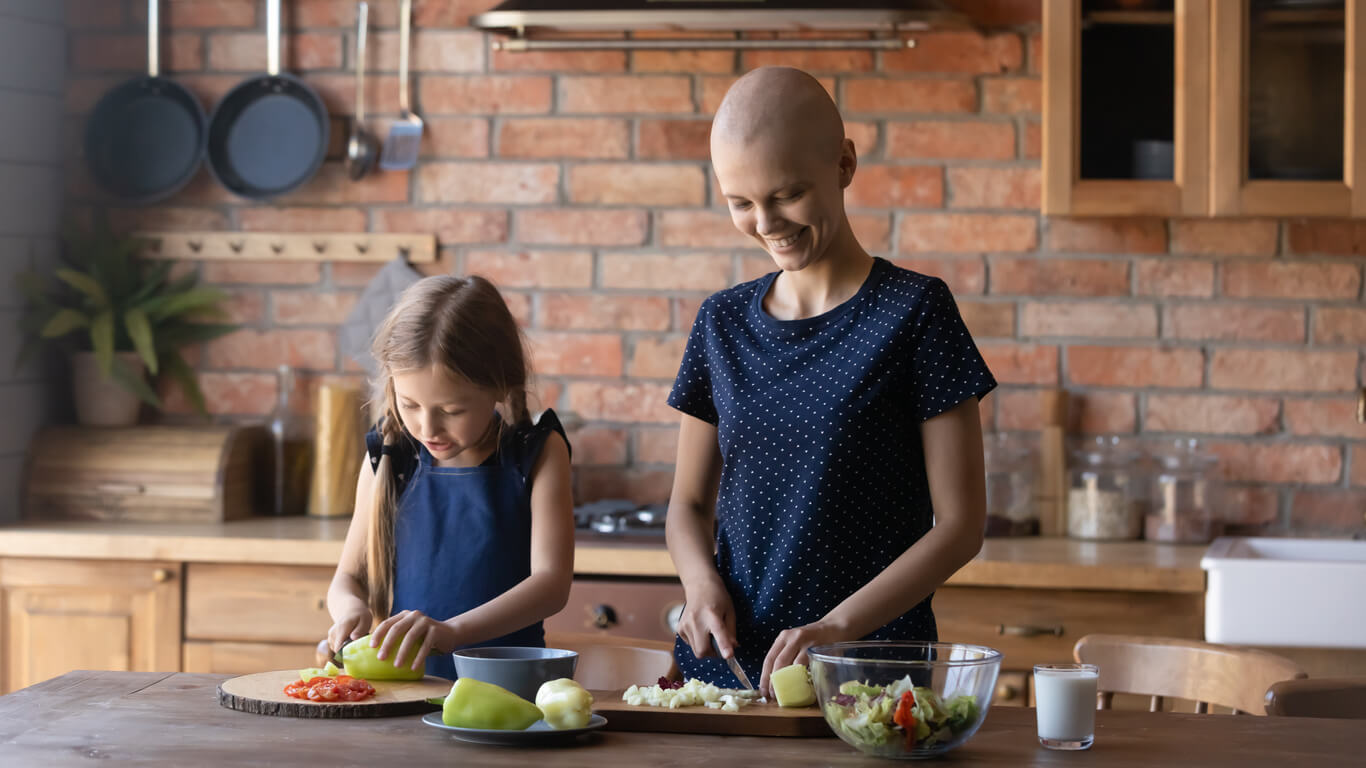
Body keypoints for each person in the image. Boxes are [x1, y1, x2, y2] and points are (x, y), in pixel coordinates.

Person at [666, 66, 996, 695]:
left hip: (868, 673)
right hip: (728, 673)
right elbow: (687, 505)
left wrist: (836, 628)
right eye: (740, 202)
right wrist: (699, 583)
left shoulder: (917, 312)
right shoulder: (721, 320)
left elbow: (961, 527)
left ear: (844, 163)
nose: (765, 223)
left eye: (786, 194)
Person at [325, 275, 575, 680]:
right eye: (409, 404)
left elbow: (551, 584)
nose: (427, 428)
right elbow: (348, 579)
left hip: (508, 689)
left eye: (452, 410)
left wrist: (453, 632)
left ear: (499, 385)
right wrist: (351, 609)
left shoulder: (538, 453)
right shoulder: (389, 455)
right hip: (402, 690)